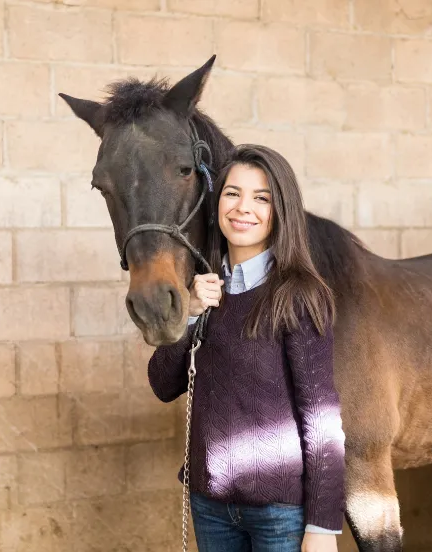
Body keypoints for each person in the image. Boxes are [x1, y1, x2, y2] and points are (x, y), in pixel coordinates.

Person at [148, 144, 346, 552]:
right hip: (210, 503)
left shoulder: (298, 295)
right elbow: (163, 383)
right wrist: (188, 314)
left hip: (279, 511)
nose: (243, 208)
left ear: (280, 211)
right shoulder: (204, 291)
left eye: (261, 198)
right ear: (217, 201)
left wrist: (323, 527)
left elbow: (321, 417)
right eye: (232, 193)